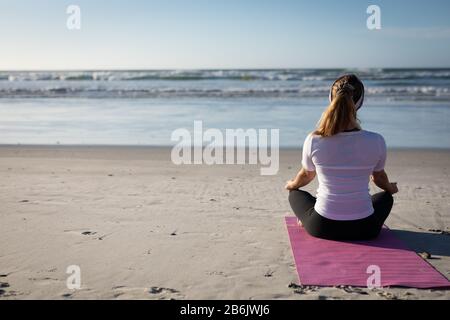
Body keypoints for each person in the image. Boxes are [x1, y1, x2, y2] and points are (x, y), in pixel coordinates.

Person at [285, 74, 398, 241]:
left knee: (294, 194)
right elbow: (378, 177)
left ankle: (308, 218)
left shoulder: (314, 140)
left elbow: (306, 175)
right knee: (385, 197)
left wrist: (292, 185)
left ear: (331, 98)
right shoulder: (376, 140)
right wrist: (390, 188)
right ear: (360, 103)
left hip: (322, 227)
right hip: (366, 229)